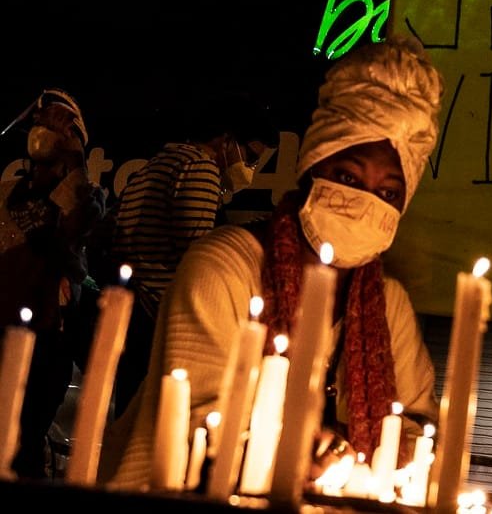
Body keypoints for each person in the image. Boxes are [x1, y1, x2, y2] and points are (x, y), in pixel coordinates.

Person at [98, 35, 444, 491]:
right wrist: (301, 452)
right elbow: (196, 427)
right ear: (312, 167)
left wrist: (386, 459)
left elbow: (419, 430)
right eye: (347, 176)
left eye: (388, 193)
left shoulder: (388, 303)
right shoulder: (222, 268)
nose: (364, 203)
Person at [107, 94, 278, 418]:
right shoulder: (200, 168)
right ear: (227, 140)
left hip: (134, 311)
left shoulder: (155, 166)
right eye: (251, 157)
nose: (251, 169)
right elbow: (197, 259)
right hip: (157, 316)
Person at [0, 88, 106, 479]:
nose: (45, 129)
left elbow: (73, 229)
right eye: (42, 123)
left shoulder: (86, 197)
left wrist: (75, 158)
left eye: (60, 125)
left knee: (24, 441)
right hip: (2, 330)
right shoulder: (9, 191)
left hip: (47, 340)